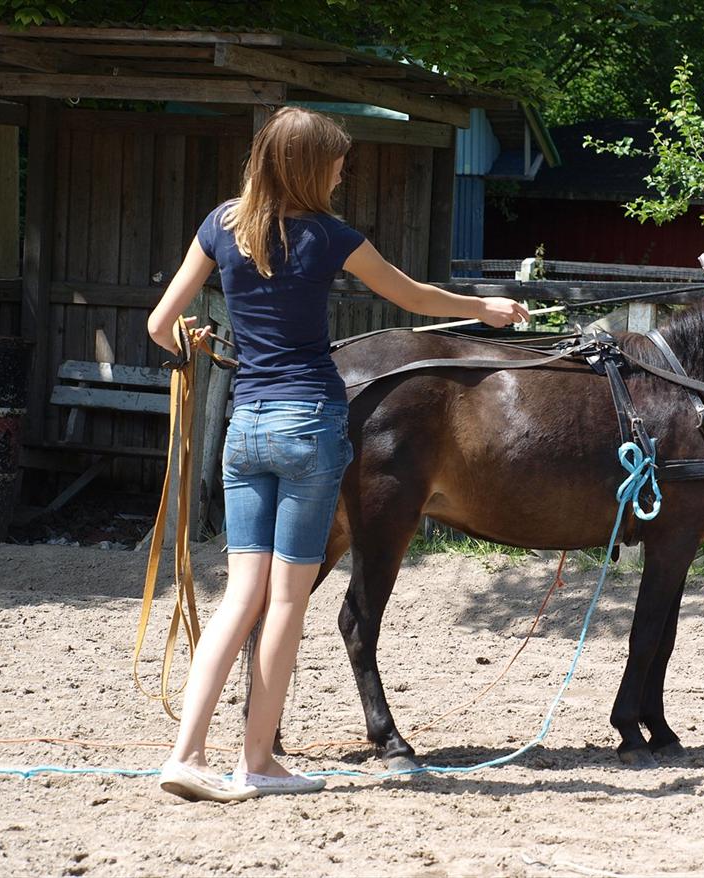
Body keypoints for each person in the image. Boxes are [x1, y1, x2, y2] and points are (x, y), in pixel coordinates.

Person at [147, 106, 528, 801]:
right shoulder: (330, 236)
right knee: (288, 601)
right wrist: (485, 311)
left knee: (240, 597)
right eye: (336, 161)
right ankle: (256, 763)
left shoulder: (220, 225)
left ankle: (186, 753)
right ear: (308, 166)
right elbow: (412, 296)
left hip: (247, 428)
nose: (341, 171)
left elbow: (159, 324)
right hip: (312, 426)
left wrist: (191, 340)